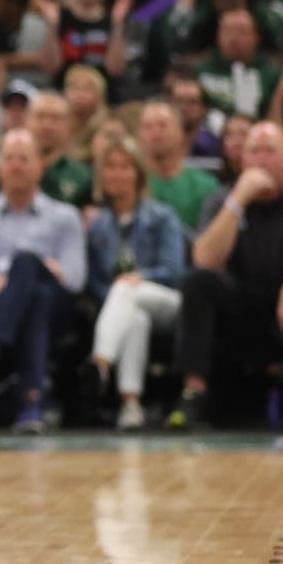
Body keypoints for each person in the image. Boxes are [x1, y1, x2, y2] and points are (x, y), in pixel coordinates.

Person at [169, 122, 283, 431]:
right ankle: (193, 393)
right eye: (254, 151)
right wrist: (238, 201)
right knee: (197, 282)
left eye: (270, 151)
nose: (262, 159)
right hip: (241, 311)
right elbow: (206, 259)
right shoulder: (223, 198)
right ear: (241, 159)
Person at [0, 128, 88, 432]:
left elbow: (74, 279)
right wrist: (23, 271)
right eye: (10, 158)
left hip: (60, 311)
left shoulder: (65, 216)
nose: (17, 166)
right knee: (35, 294)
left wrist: (11, 271)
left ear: (41, 166)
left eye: (25, 159)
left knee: (31, 269)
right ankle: (32, 404)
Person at [87, 136, 186, 430]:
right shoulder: (98, 226)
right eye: (110, 167)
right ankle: (131, 405)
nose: (117, 174)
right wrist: (121, 290)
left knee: (124, 289)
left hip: (168, 301)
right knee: (135, 318)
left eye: (125, 167)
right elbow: (95, 282)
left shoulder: (162, 216)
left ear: (138, 174)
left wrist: (140, 278)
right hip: (124, 307)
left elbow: (174, 270)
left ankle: (100, 363)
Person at [137, 98, 219, 233]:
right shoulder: (131, 184)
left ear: (181, 132)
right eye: (147, 127)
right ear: (139, 135)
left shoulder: (206, 186)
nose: (155, 134)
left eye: (162, 126)